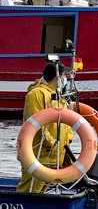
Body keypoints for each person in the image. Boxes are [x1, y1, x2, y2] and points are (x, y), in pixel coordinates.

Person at [18, 58, 73, 194]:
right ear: (57, 77)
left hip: (55, 155)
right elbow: (35, 123)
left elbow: (67, 124)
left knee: (43, 188)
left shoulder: (59, 97)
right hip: (38, 154)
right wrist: (51, 143)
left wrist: (67, 141)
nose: (65, 78)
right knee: (30, 188)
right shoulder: (37, 94)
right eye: (64, 75)